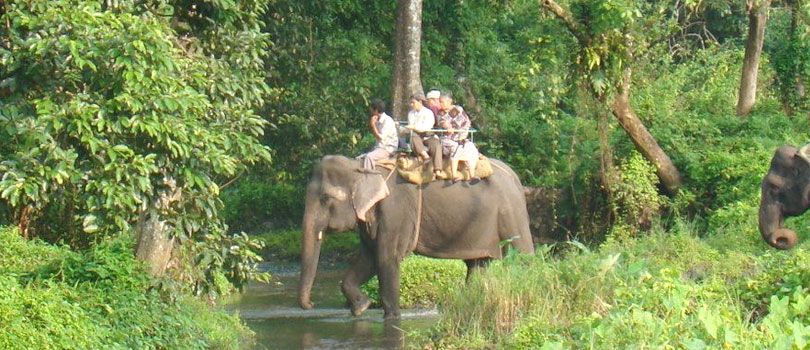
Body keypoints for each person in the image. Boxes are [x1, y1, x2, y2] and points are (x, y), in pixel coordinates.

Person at [438, 95, 479, 181]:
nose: (440, 104)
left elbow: (466, 122)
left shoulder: (458, 109)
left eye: (442, 102)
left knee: (471, 149)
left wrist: (459, 132)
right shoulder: (440, 112)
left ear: (449, 101)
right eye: (440, 102)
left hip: (461, 137)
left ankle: (472, 175)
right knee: (456, 148)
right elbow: (442, 123)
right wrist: (447, 127)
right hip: (447, 138)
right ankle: (454, 175)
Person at [405, 94, 443, 176]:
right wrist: (413, 128)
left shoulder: (428, 113)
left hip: (428, 135)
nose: (412, 105)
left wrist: (414, 127)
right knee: (413, 136)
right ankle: (425, 156)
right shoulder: (411, 114)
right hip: (416, 136)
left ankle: (438, 170)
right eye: (411, 103)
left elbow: (426, 127)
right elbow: (411, 127)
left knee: (436, 145)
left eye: (413, 103)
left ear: (420, 102)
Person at [359, 99, 398, 171]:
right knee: (359, 158)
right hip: (378, 147)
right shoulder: (377, 120)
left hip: (387, 148)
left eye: (372, 109)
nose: (370, 112)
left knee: (369, 157)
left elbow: (380, 138)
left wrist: (373, 125)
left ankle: (368, 177)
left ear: (376, 110)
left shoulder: (387, 121)